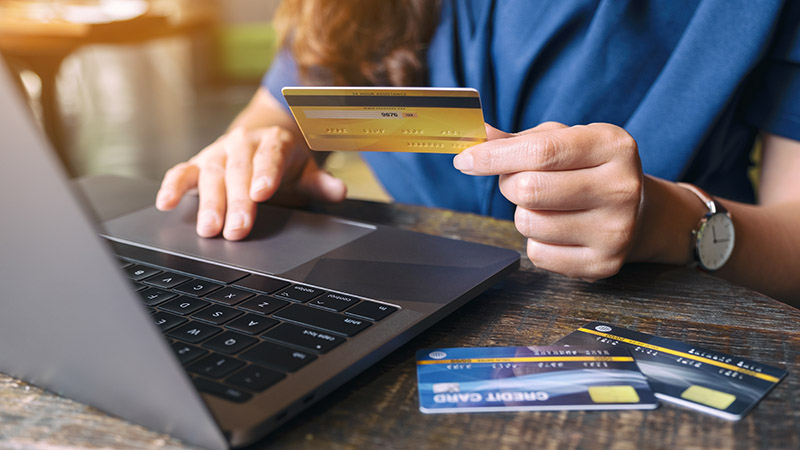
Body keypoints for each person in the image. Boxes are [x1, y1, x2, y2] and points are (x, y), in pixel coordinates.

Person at [156, 0, 800, 306]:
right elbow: (281, 110)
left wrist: (672, 221)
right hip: (398, 307)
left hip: (653, 324)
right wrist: (262, 150)